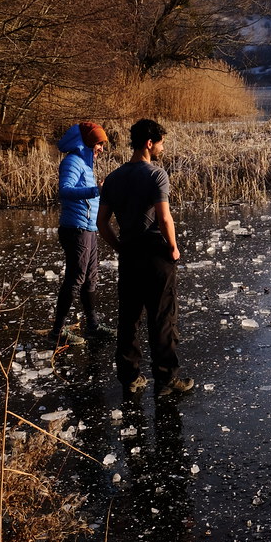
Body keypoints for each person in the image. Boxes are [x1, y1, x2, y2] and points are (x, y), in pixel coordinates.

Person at [97, 119, 193, 397]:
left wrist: (119, 247)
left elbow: (102, 223)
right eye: (161, 142)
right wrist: (173, 247)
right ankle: (166, 379)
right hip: (155, 253)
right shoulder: (156, 175)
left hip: (129, 252)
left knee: (128, 318)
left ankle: (130, 377)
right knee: (162, 316)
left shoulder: (114, 178)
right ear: (149, 143)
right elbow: (164, 217)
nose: (163, 148)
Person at [50, 122, 117, 345]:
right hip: (75, 229)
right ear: (88, 142)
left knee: (90, 280)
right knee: (75, 279)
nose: (101, 148)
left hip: (88, 228)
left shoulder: (86, 164)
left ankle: (93, 326)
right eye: (99, 143)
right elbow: (65, 191)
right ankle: (57, 332)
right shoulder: (73, 162)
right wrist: (95, 190)